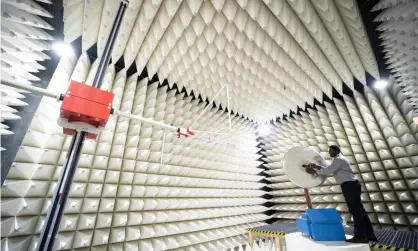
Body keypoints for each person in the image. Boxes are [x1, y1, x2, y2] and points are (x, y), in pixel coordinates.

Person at [303, 145, 377, 243]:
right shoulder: (339, 160)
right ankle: (370, 235)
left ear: (337, 151)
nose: (329, 153)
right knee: (360, 210)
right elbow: (330, 168)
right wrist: (317, 166)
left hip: (349, 185)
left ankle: (360, 236)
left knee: (355, 210)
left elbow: (328, 171)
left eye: (331, 151)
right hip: (352, 185)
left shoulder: (339, 160)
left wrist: (314, 170)